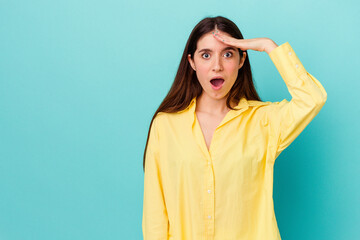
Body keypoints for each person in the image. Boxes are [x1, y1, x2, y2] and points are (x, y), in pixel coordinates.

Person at [142, 16, 327, 240]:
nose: (217, 65)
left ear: (241, 60)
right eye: (206, 55)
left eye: (228, 54)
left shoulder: (264, 121)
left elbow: (312, 99)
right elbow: (155, 216)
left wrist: (269, 47)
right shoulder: (165, 125)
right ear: (192, 62)